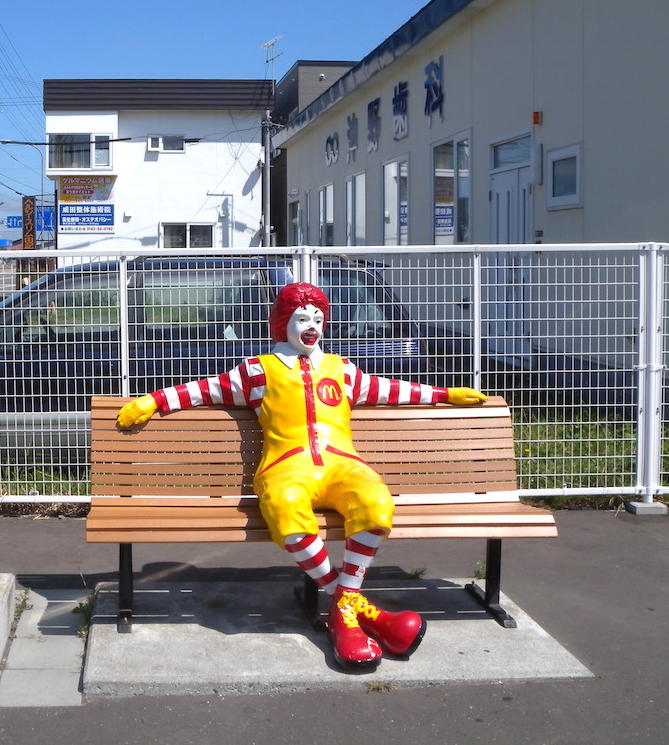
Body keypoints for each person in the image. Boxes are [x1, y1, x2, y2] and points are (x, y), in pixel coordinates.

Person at [117, 281, 486, 671]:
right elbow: (203, 390)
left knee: (376, 505)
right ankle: (357, 613)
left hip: (343, 464)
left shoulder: (342, 369)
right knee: (286, 510)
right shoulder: (258, 371)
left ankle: (344, 609)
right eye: (302, 318)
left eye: (318, 318)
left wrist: (444, 395)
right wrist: (153, 401)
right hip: (286, 468)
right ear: (282, 322)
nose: (312, 326)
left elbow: (391, 390)